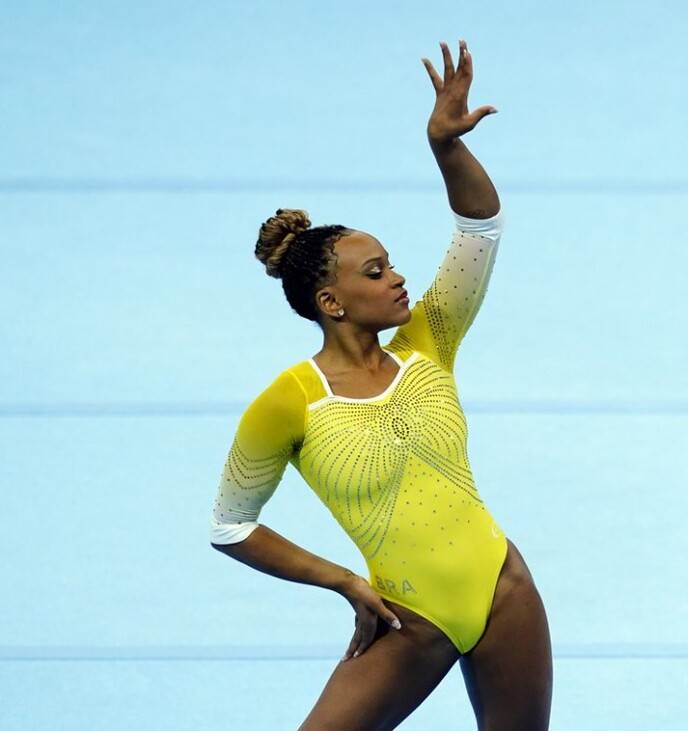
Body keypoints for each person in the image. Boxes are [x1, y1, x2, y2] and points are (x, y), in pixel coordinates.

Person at [210, 41, 552, 731]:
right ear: (330, 302)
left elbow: (480, 227)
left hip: (504, 591)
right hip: (408, 617)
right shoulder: (289, 401)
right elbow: (230, 525)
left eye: (391, 264)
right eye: (374, 272)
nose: (396, 277)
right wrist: (342, 580)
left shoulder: (430, 339)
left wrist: (445, 148)